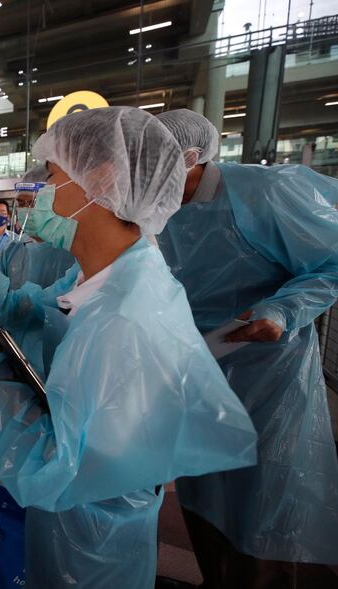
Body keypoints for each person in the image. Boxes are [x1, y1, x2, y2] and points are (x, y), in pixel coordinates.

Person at [0, 107, 258, 587]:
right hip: (77, 524)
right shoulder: (107, 274)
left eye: (49, 177)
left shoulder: (126, 316)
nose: (38, 194)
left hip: (92, 538)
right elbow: (21, 308)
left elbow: (54, 470)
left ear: (101, 180)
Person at [156, 109, 338, 587]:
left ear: (191, 156)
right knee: (204, 490)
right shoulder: (159, 208)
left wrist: (283, 311)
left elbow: (331, 261)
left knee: (268, 498)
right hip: (199, 369)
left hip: (269, 375)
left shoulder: (264, 192)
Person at [0, 165, 76, 289]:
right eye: (21, 203)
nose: (24, 210)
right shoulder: (13, 249)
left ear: (52, 201)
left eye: (31, 203)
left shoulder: (72, 248)